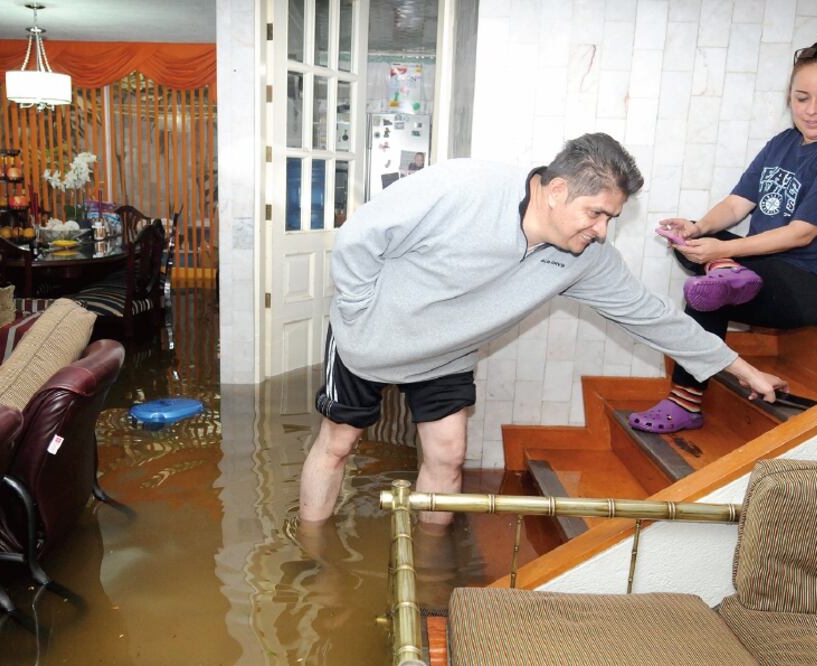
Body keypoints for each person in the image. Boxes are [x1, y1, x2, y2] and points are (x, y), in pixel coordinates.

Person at [299, 132, 787, 526]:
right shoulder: (463, 187)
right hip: (372, 337)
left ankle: (428, 575)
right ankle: (312, 556)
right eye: (596, 213)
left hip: (448, 350)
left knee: (448, 457)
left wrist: (737, 365)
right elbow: (359, 239)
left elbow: (647, 313)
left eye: (611, 218)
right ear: (556, 191)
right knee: (338, 444)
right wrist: (360, 315)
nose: (602, 230)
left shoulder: (583, 257)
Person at [630, 34, 817, 434]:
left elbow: (801, 234)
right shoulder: (783, 143)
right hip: (778, 266)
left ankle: (685, 401)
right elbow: (738, 203)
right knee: (691, 248)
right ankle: (726, 269)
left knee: (709, 292)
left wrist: (722, 249)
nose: (811, 110)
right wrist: (699, 228)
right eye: (801, 97)